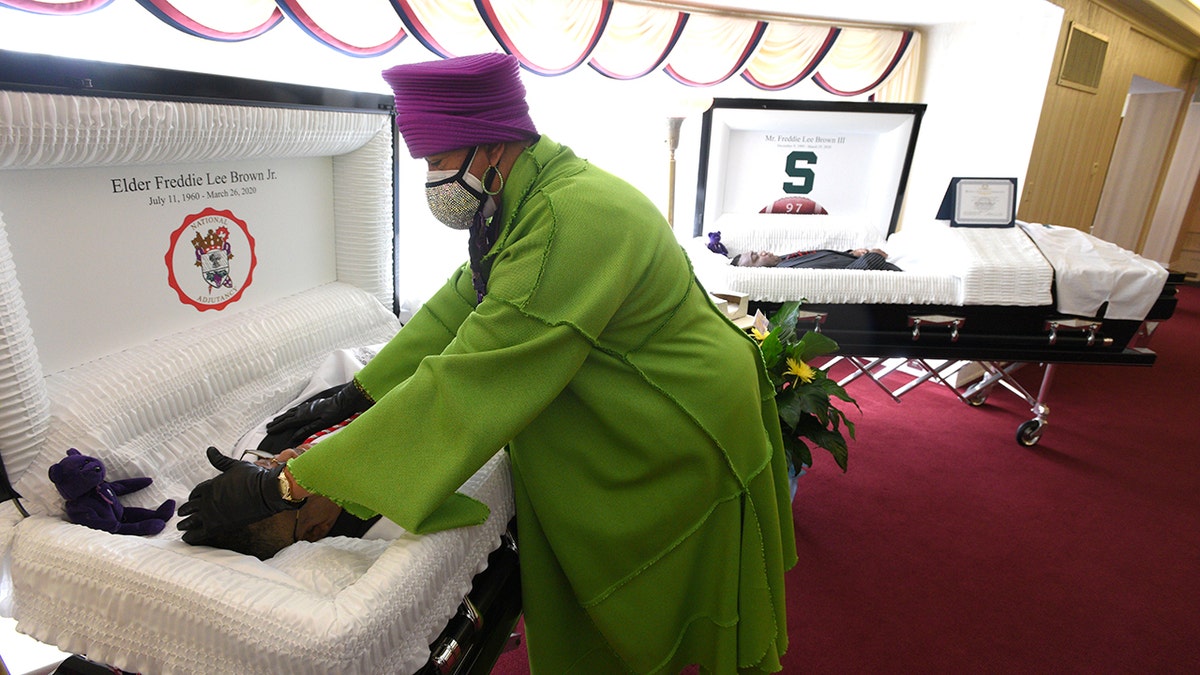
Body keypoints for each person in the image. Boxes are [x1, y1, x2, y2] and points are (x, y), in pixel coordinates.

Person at [179, 52, 796, 674]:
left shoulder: (568, 216)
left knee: (663, 592)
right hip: (649, 386)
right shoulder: (528, 196)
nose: (431, 180)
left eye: (437, 162)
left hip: (673, 408)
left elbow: (476, 378)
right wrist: (355, 395)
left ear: (492, 149)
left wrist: (288, 482)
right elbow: (456, 310)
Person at [732, 247, 901, 270]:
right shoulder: (789, 271)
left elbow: (827, 260)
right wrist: (874, 256)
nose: (762, 252)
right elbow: (846, 276)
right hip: (886, 269)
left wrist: (851, 253)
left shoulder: (784, 260)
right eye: (756, 257)